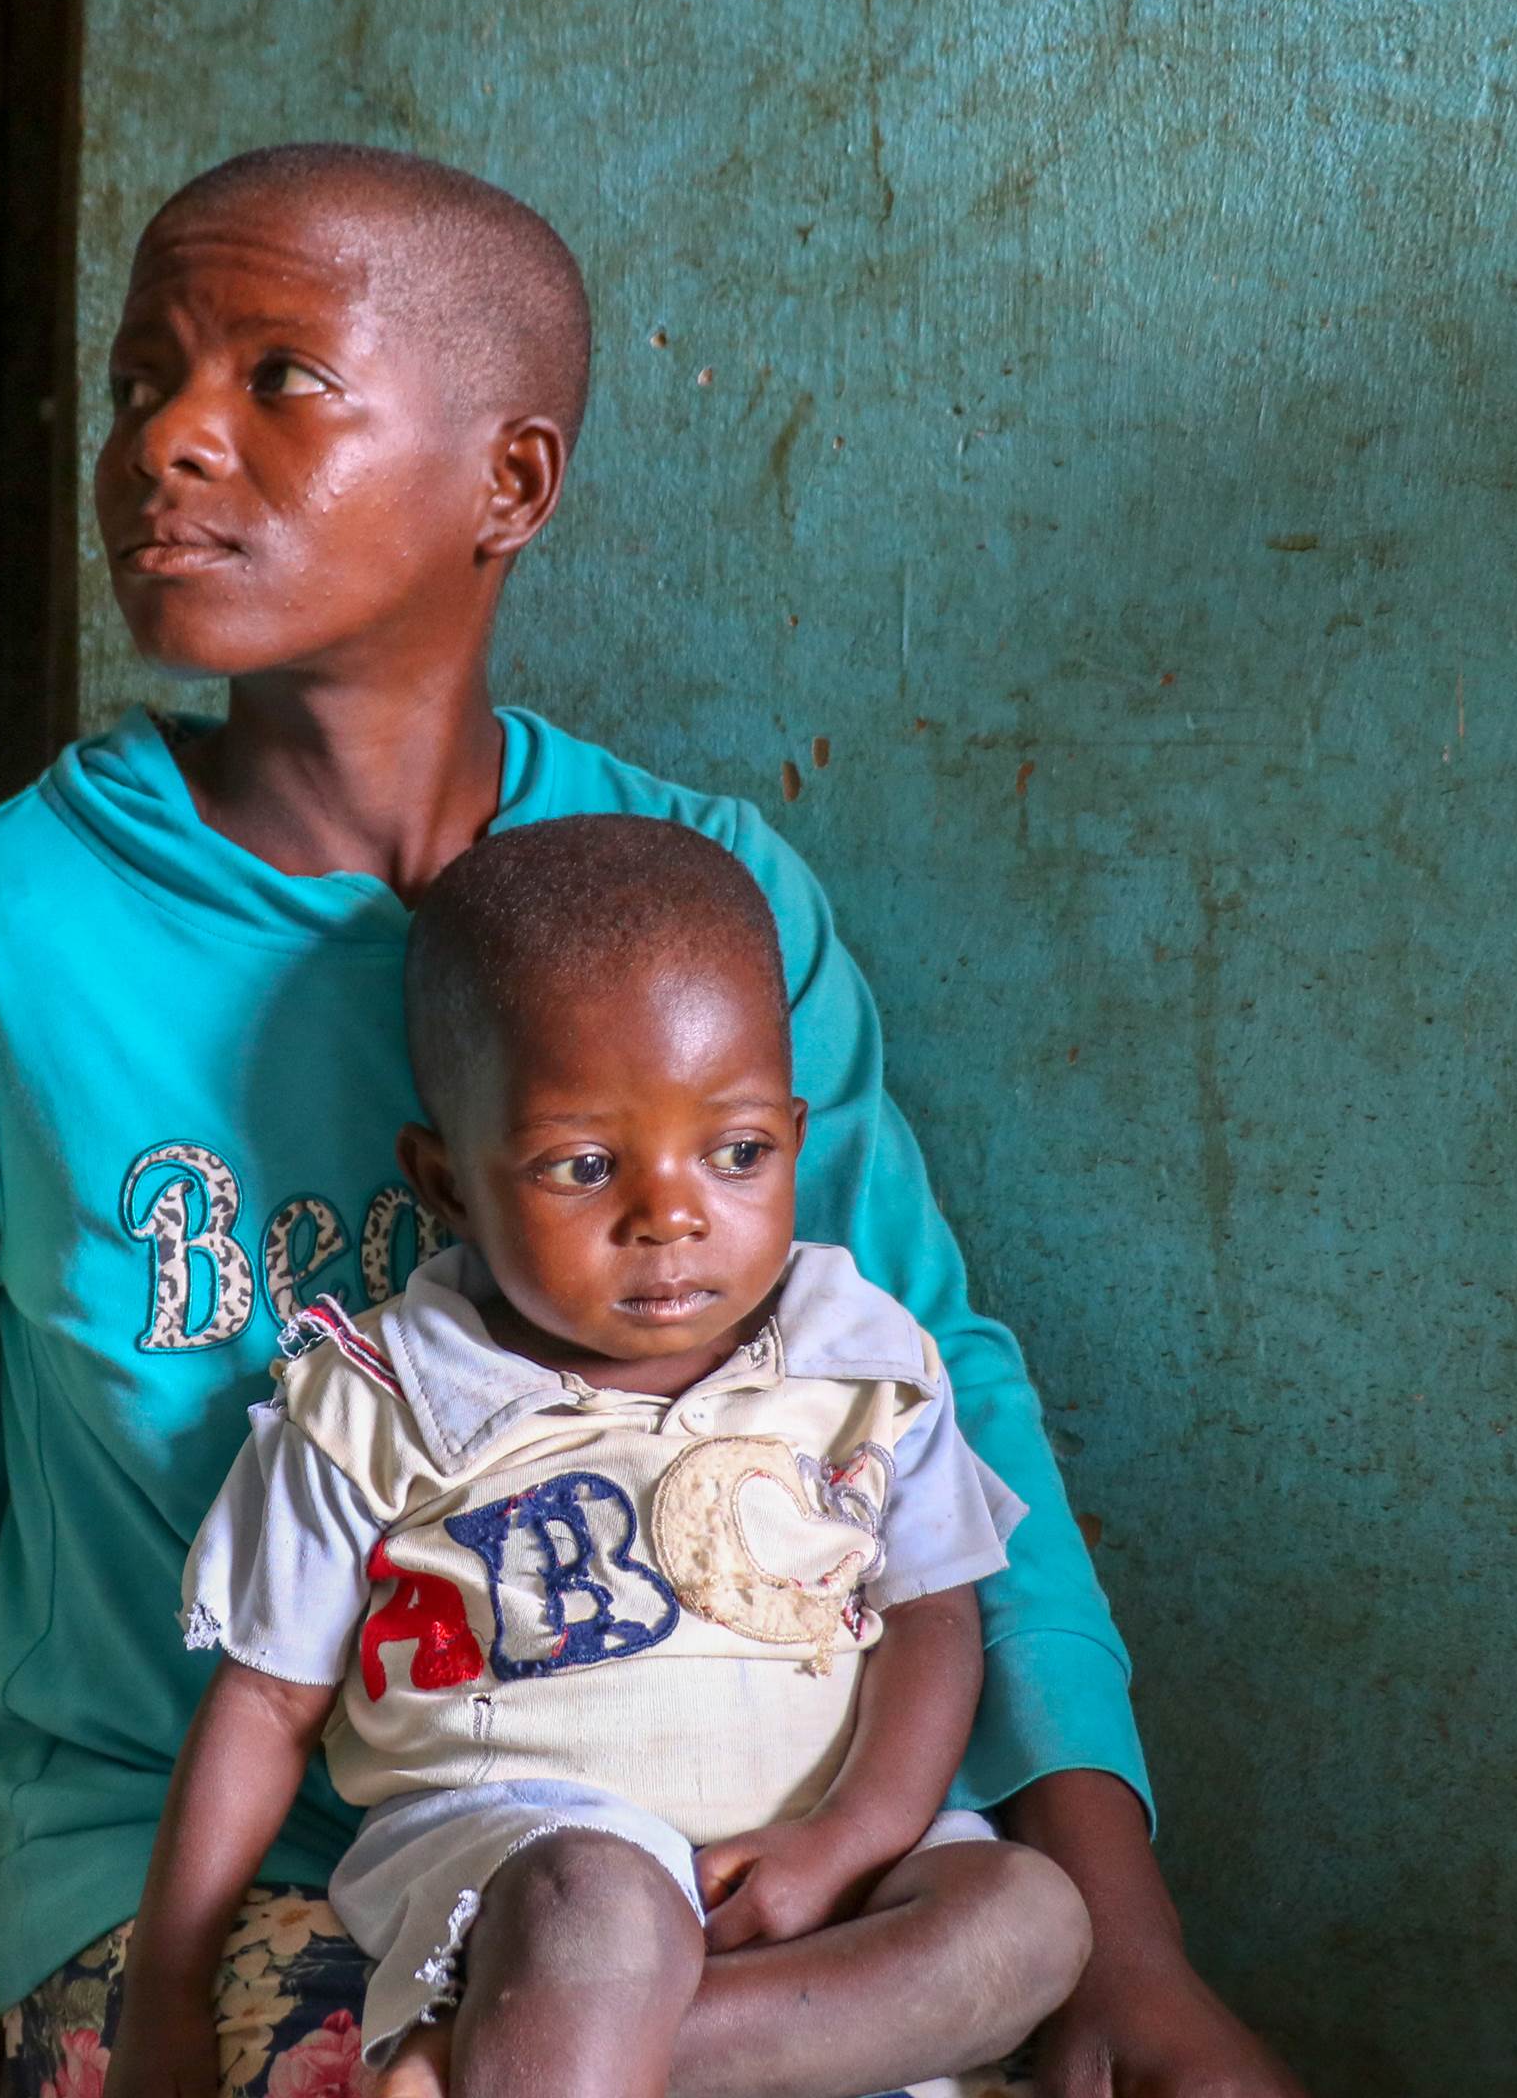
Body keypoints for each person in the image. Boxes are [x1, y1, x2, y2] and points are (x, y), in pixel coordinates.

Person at [0, 145, 1302, 2098]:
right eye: (141, 381)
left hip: (748, 1865)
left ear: (509, 486)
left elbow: (933, 1399)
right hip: (214, 1892)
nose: (165, 442)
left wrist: (1127, 1948)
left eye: (276, 379)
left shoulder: (703, 904)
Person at [114, 814, 1088, 2098]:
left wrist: (852, 1836)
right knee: (603, 1902)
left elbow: (934, 1625)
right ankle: (550, 2037)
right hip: (532, 1869)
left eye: (737, 1153)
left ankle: (496, 2072)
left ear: (796, 1135)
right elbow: (263, 1703)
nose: (673, 1214)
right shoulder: (376, 1399)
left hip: (812, 1874)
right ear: (447, 1186)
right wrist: (169, 1998)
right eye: (583, 1165)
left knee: (1030, 1919)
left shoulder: (861, 1359)